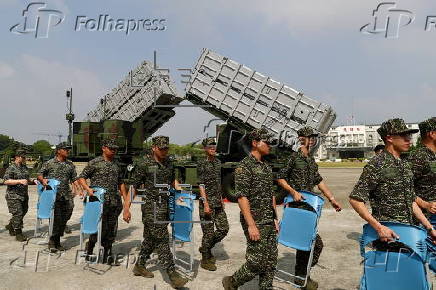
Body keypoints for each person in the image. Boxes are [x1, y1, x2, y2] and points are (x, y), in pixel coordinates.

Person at [349, 118, 436, 252]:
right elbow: (355, 199)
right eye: (404, 136)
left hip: (409, 233)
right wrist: (379, 228)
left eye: (409, 136)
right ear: (389, 138)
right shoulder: (377, 164)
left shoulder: (405, 165)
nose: (409, 140)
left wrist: (429, 228)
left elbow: (411, 201)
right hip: (388, 237)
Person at [276, 126, 342, 290]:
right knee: (311, 243)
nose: (312, 139)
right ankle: (300, 277)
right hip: (296, 208)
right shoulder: (293, 157)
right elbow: (280, 178)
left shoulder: (311, 160)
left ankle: (301, 276)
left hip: (310, 208)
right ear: (300, 138)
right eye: (309, 137)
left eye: (314, 137)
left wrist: (332, 198)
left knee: (309, 244)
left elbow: (319, 181)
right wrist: (293, 191)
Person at [124, 136, 188, 289]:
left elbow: (174, 182)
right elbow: (134, 187)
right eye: (161, 148)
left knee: (150, 239)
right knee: (162, 239)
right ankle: (173, 275)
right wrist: (126, 208)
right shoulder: (144, 164)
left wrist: (181, 194)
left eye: (166, 148)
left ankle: (139, 266)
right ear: (153, 148)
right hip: (151, 208)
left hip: (165, 206)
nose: (164, 151)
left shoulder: (169, 163)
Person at [222, 128, 278, 290]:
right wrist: (251, 224)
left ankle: (266, 287)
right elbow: (242, 197)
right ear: (255, 143)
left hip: (268, 219)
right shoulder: (244, 167)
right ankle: (232, 282)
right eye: (266, 142)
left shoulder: (266, 167)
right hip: (255, 219)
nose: (270, 146)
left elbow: (271, 195)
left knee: (271, 260)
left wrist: (275, 218)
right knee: (256, 262)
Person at [77, 139, 129, 264]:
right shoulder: (94, 163)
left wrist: (126, 200)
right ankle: (89, 249)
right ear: (104, 148)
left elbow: (121, 182)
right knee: (96, 226)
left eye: (115, 148)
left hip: (113, 202)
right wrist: (88, 189)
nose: (114, 150)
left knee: (111, 227)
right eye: (111, 148)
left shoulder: (117, 164)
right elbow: (82, 177)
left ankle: (107, 254)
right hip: (98, 201)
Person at [37, 142, 80, 251]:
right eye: (65, 149)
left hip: (66, 195)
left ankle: (57, 237)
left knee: (67, 215)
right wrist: (43, 180)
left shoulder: (70, 164)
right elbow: (40, 175)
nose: (68, 151)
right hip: (54, 195)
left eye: (68, 149)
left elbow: (74, 178)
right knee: (55, 218)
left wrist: (78, 188)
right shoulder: (49, 163)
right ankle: (53, 241)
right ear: (59, 150)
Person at [197, 137, 229, 271]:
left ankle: (205, 247)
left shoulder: (218, 162)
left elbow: (218, 182)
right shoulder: (201, 163)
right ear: (205, 148)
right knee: (208, 233)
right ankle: (205, 259)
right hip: (207, 203)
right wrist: (205, 204)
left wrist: (221, 198)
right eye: (210, 146)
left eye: (214, 146)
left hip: (218, 202)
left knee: (223, 229)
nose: (213, 148)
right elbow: (201, 185)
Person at [4, 149, 34, 242]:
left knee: (24, 211)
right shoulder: (11, 168)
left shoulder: (24, 167)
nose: (25, 158)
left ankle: (10, 225)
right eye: (23, 157)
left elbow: (27, 179)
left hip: (24, 194)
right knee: (18, 213)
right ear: (17, 157)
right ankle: (18, 233)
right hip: (13, 195)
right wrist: (19, 181)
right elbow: (6, 181)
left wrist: (33, 181)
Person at [409, 117, 436, 217]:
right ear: (432, 134)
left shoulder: (433, 155)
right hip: (424, 218)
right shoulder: (418, 156)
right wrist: (425, 204)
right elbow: (403, 188)